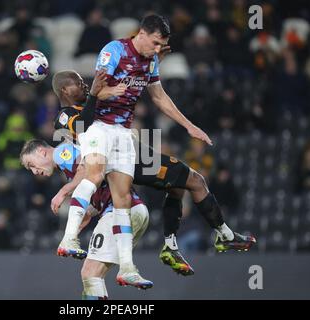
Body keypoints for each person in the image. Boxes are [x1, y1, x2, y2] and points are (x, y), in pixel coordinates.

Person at [56, 14, 214, 288]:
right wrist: (112, 90)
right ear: (141, 33)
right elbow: (97, 91)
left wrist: (189, 126)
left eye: (160, 45)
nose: (156, 49)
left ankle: (127, 267)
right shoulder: (113, 50)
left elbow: (159, 97)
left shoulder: (151, 60)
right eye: (154, 43)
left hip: (124, 132)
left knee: (123, 200)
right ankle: (68, 238)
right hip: (100, 127)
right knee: (93, 176)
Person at [50, 68, 257, 270]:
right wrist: (96, 93)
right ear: (64, 91)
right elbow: (82, 127)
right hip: (126, 160)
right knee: (195, 181)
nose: (84, 85)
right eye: (77, 83)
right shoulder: (64, 115)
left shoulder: (93, 102)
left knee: (180, 185)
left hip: (133, 151)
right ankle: (223, 235)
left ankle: (173, 245)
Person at [20, 139, 153, 294]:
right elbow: (96, 188)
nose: (34, 171)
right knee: (93, 273)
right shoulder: (70, 170)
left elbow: (87, 171)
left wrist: (63, 191)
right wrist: (84, 217)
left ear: (41, 152)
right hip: (135, 211)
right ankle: (127, 270)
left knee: (90, 274)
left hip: (120, 212)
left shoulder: (63, 152)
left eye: (31, 165)